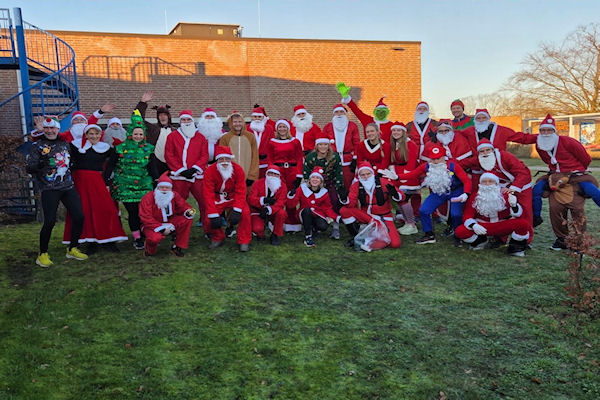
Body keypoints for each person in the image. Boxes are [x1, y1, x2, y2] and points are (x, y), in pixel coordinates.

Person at [529, 114, 600, 249]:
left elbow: (585, 158)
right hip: (556, 176)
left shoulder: (568, 142)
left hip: (575, 175)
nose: (545, 133)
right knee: (538, 191)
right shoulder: (540, 145)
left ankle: (580, 240)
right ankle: (538, 219)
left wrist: (576, 170)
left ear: (554, 131)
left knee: (592, 192)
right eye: (542, 130)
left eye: (549, 130)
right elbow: (547, 160)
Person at [26, 116, 87, 267]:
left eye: (52, 128)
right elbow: (29, 168)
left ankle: (72, 248)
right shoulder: (37, 146)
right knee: (50, 221)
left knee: (79, 216)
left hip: (68, 186)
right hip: (49, 188)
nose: (49, 131)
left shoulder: (65, 143)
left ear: (58, 129)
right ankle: (42, 254)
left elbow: (73, 159)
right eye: (46, 128)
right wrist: (41, 163)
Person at [63, 124, 127, 253]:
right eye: (91, 134)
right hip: (80, 182)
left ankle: (108, 239)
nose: (94, 136)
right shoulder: (76, 146)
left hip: (97, 181)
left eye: (97, 134)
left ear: (100, 135)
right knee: (84, 210)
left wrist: (121, 145)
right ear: (86, 135)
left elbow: (114, 160)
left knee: (106, 209)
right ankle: (91, 241)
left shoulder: (105, 148)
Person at [395, 143, 471, 245]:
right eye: (432, 159)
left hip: (456, 191)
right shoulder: (427, 166)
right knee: (424, 210)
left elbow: (466, 180)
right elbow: (414, 174)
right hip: (439, 191)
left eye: (438, 158)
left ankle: (458, 235)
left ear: (444, 157)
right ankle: (429, 234)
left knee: (456, 214)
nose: (435, 161)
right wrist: (397, 177)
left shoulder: (453, 166)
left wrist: (466, 193)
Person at [461, 138, 534, 242]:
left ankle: (526, 239)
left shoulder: (505, 156)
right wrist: (448, 164)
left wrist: (512, 189)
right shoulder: (479, 159)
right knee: (498, 207)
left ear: (493, 150)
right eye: (482, 151)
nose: (485, 153)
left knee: (524, 210)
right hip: (500, 185)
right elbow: (462, 164)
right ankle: (500, 238)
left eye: (488, 150)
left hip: (521, 184)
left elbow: (523, 173)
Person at [109, 110, 158, 250]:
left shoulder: (148, 149)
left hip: (144, 184)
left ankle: (145, 232)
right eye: (136, 134)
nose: (138, 136)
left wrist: (157, 181)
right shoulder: (120, 149)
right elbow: (111, 165)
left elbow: (152, 167)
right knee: (133, 212)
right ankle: (137, 237)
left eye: (140, 134)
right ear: (130, 133)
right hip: (125, 184)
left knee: (144, 212)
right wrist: (106, 182)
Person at [454, 173, 530, 256]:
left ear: (496, 183)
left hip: (501, 225)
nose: (487, 184)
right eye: (484, 181)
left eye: (490, 181)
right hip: (483, 226)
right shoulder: (475, 196)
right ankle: (480, 240)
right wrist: (474, 225)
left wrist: (514, 205)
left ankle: (515, 248)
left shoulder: (505, 194)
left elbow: (518, 214)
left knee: (523, 224)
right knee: (460, 231)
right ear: (480, 184)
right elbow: (467, 215)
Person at [340, 162, 404, 249]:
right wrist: (344, 199)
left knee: (395, 244)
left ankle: (366, 240)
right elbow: (351, 204)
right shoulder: (356, 185)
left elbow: (402, 196)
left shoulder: (383, 182)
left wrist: (396, 195)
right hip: (367, 216)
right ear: (359, 176)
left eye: (368, 174)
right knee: (344, 210)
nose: (366, 177)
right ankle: (356, 236)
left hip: (384, 217)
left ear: (372, 173)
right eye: (362, 175)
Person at [202, 146, 252, 252]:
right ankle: (218, 237)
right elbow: (208, 193)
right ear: (217, 159)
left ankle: (244, 240)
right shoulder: (210, 171)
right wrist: (213, 214)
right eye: (221, 159)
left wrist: (237, 209)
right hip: (217, 198)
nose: (224, 162)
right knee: (208, 219)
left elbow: (241, 191)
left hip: (233, 197)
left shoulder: (238, 170)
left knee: (245, 213)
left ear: (231, 159)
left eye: (227, 159)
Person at [164, 109, 208, 217]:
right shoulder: (172, 136)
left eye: (188, 119)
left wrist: (195, 168)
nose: (186, 122)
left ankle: (208, 224)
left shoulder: (201, 137)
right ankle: (178, 223)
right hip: (179, 176)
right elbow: (169, 155)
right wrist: (181, 170)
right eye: (183, 120)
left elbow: (204, 155)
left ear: (192, 121)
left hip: (196, 175)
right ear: (180, 122)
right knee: (177, 202)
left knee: (204, 201)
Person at [138, 173, 195, 257]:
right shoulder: (148, 198)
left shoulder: (174, 195)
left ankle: (177, 246)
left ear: (171, 188)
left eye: (167, 187)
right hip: (152, 225)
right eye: (162, 187)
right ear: (157, 187)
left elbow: (184, 206)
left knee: (187, 220)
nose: (164, 189)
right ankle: (149, 250)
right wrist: (161, 228)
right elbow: (145, 217)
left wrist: (190, 212)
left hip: (170, 221)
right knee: (154, 238)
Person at [303, 132, 346, 239]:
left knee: (334, 201)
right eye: (320, 144)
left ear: (328, 145)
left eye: (325, 144)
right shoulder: (310, 157)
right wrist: (310, 186)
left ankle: (335, 227)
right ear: (316, 146)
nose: (323, 147)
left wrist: (339, 187)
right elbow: (306, 173)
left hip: (330, 183)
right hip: (314, 184)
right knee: (313, 202)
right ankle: (314, 224)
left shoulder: (335, 157)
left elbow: (338, 172)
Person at [266, 119, 304, 232]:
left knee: (290, 196)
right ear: (277, 129)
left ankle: (291, 223)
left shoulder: (295, 142)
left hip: (291, 171)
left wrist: (299, 175)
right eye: (280, 127)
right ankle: (275, 221)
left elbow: (299, 158)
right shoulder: (272, 142)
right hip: (278, 171)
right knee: (277, 195)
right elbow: (270, 158)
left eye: (284, 127)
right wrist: (272, 172)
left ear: (288, 129)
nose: (282, 129)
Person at [287, 166, 340, 247]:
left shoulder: (324, 192)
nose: (315, 180)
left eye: (317, 178)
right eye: (313, 177)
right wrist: (291, 196)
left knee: (323, 226)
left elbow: (327, 208)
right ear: (309, 179)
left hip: (317, 214)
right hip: (304, 214)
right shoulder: (302, 188)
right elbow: (291, 205)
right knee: (307, 210)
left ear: (321, 181)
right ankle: (308, 236)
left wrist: (337, 217)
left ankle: (314, 229)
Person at [385, 122, 420, 235]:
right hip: (396, 176)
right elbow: (391, 161)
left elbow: (412, 163)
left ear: (403, 132)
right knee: (398, 199)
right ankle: (407, 222)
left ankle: (412, 224)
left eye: (398, 130)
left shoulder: (411, 144)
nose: (396, 132)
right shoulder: (393, 144)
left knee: (403, 199)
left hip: (408, 177)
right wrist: (392, 171)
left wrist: (404, 177)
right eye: (394, 130)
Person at [133, 91, 176, 174]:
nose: (162, 117)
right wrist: (142, 103)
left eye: (164, 115)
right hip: (155, 163)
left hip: (172, 163)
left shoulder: (175, 131)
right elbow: (137, 119)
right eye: (160, 115)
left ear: (168, 116)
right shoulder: (153, 129)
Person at [460, 108, 536, 155]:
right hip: (477, 167)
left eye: (484, 118)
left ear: (489, 119)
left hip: (498, 165)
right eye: (478, 118)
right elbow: (456, 136)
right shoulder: (470, 131)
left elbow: (521, 137)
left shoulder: (501, 130)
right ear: (475, 120)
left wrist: (539, 137)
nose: (481, 120)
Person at [321, 104, 361, 189]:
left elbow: (357, 143)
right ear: (334, 114)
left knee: (348, 182)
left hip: (347, 160)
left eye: (341, 112)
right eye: (337, 112)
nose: (339, 114)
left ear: (345, 113)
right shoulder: (328, 127)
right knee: (332, 184)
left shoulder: (352, 126)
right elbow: (323, 142)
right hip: (332, 159)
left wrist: (355, 158)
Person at [248, 165, 287, 245]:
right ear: (266, 174)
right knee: (257, 228)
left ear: (279, 176)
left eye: (275, 174)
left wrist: (269, 209)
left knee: (282, 213)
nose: (272, 176)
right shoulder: (257, 183)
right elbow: (251, 199)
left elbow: (281, 203)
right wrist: (263, 200)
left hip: (273, 211)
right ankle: (260, 234)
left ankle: (275, 234)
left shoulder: (282, 186)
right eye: (270, 173)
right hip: (258, 210)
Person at [219, 111, 259, 186]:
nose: (237, 124)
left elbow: (255, 157)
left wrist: (252, 176)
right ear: (231, 123)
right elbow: (222, 158)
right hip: (231, 176)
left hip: (247, 175)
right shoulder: (225, 138)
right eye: (235, 122)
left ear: (243, 122)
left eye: (240, 122)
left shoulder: (250, 137)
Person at [247, 105, 276, 178]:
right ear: (252, 117)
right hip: (251, 162)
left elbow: (272, 145)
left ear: (263, 118)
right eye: (255, 117)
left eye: (259, 117)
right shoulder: (246, 129)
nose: (257, 119)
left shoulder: (269, 129)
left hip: (265, 162)